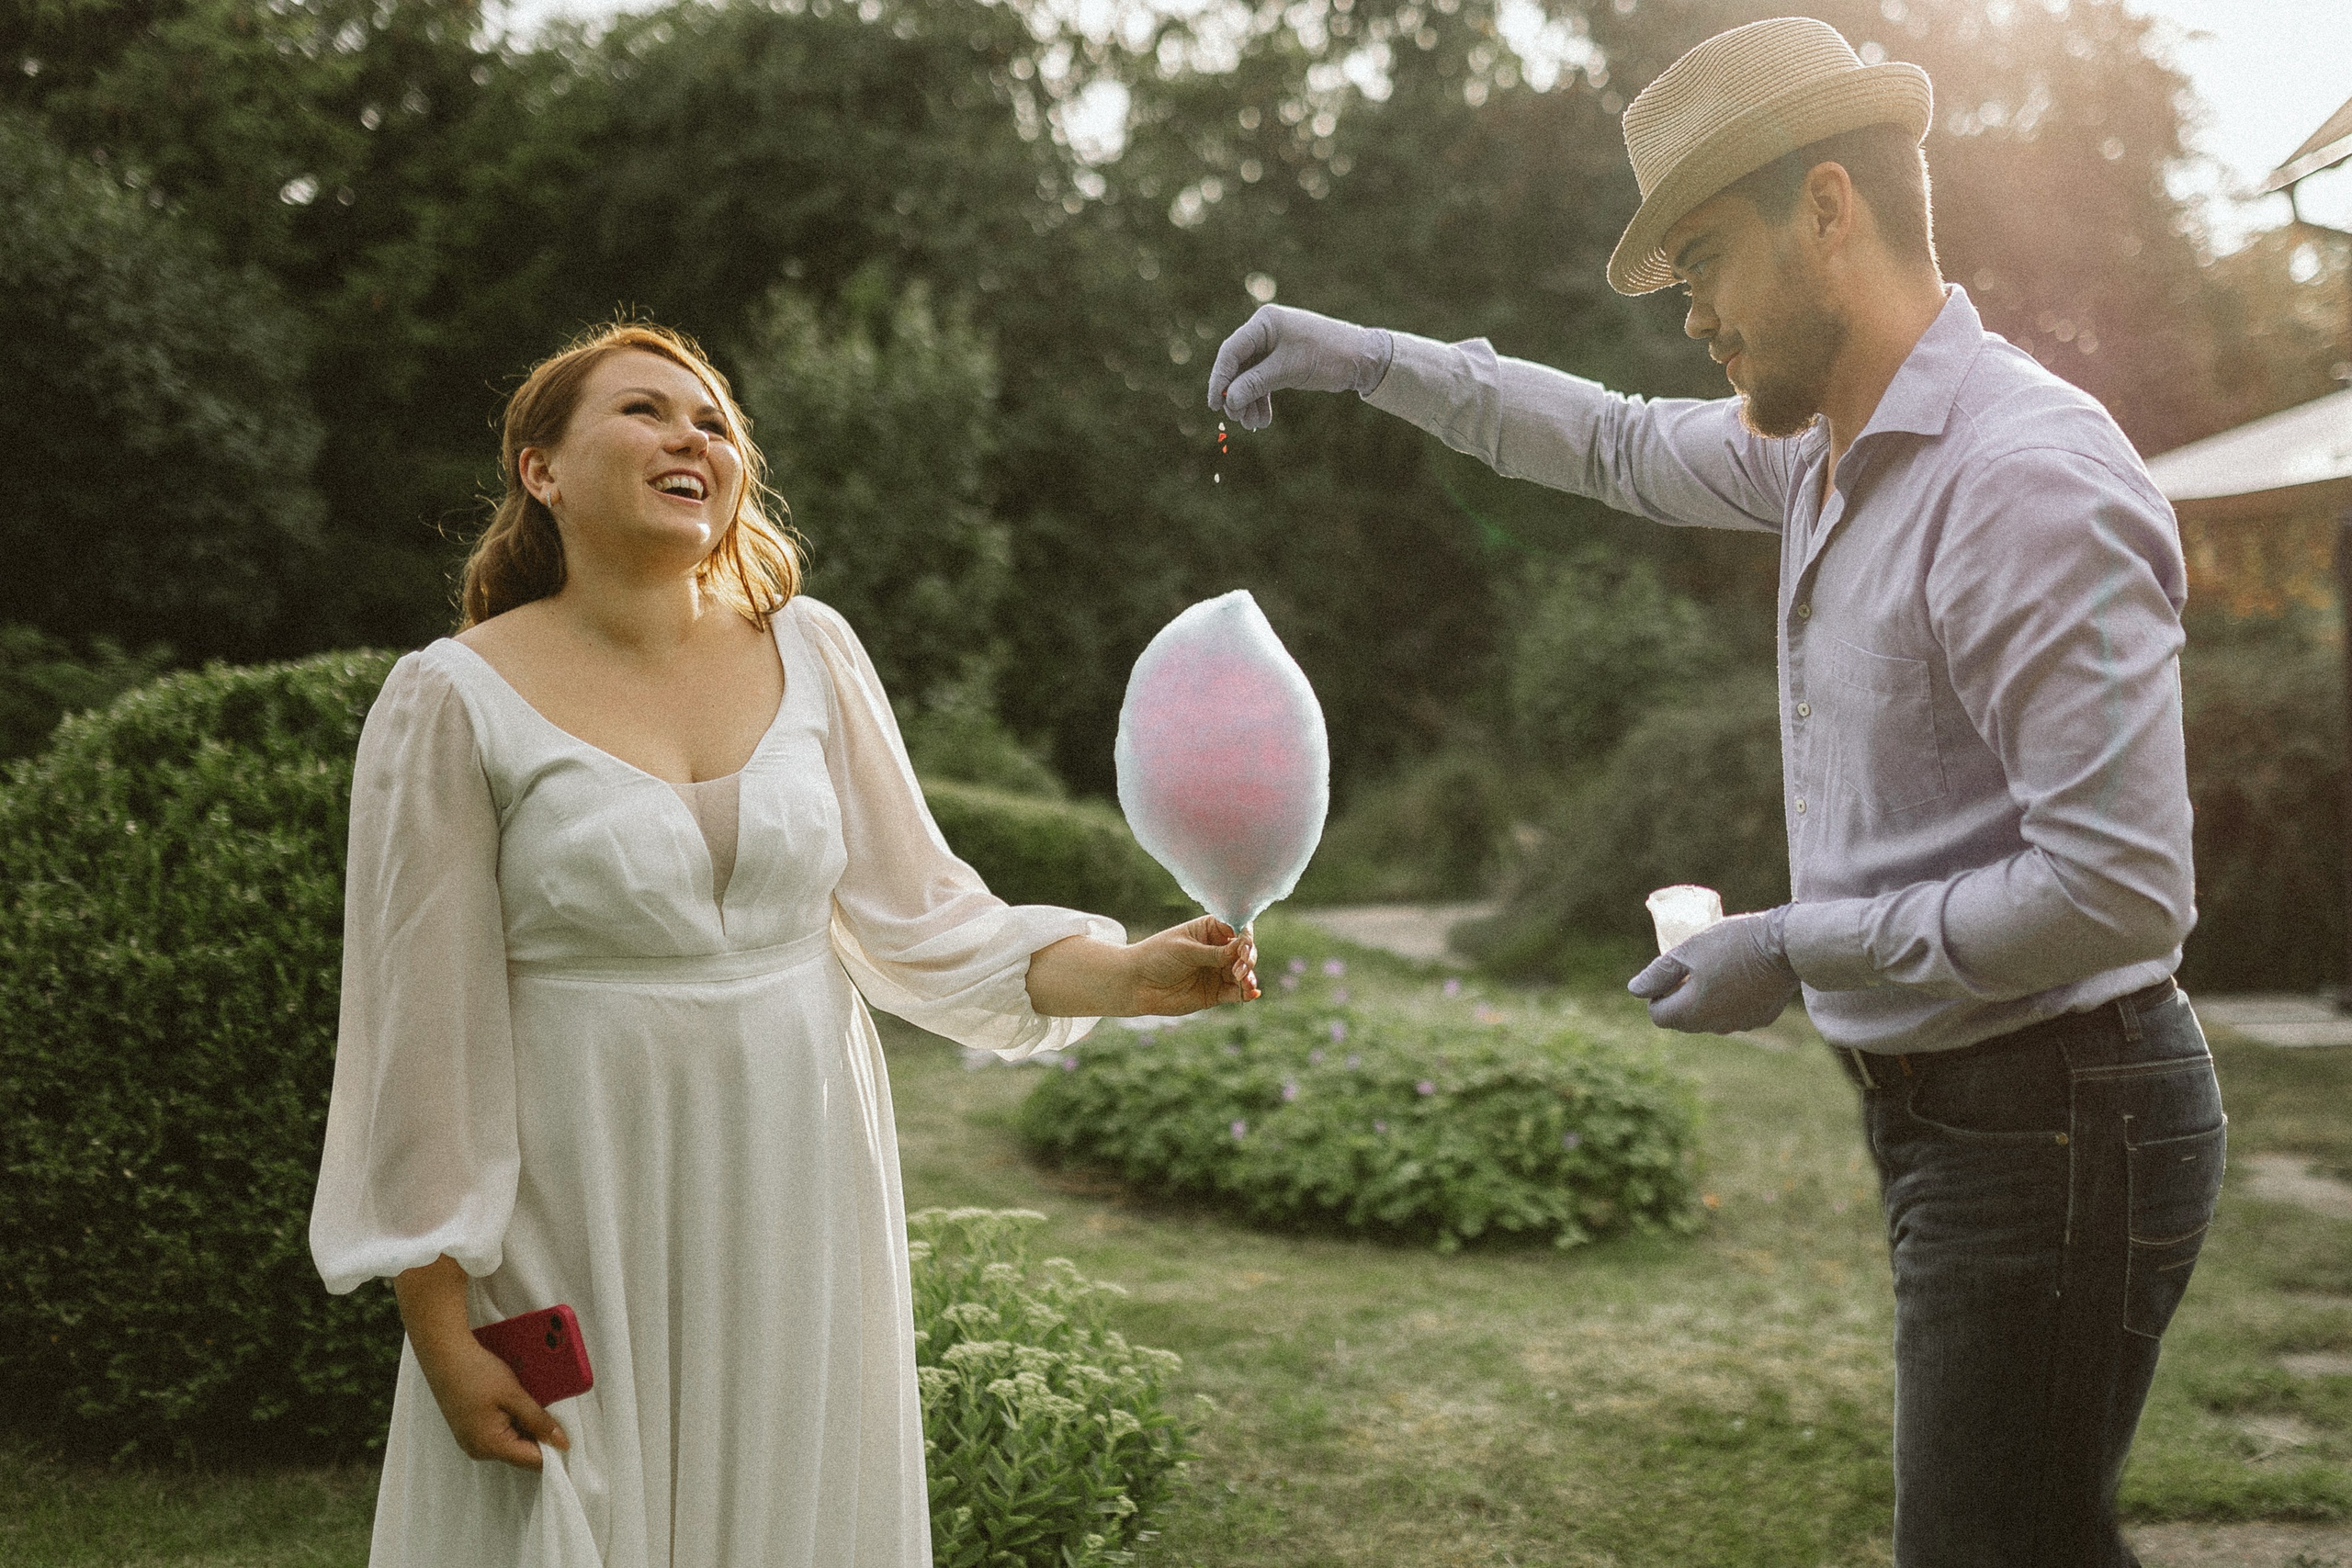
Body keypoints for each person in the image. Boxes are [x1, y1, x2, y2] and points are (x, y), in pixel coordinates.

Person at [1205, 16, 2222, 1568]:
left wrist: (1794, 945)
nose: (1690, 319)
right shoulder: (1822, 451)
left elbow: (2121, 890)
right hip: (1975, 1119)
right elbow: (1611, 444)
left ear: (1829, 210)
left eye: (1701, 263)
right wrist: (1367, 358)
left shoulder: (2024, 483)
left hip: (2063, 1114)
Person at [310, 320, 1258, 1567]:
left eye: (713, 420)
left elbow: (934, 920)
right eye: (645, 411)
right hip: (571, 1190)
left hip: (796, 1181)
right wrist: (441, 1329)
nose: (692, 435)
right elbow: (416, 1033)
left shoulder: (813, 650)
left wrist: (1132, 973)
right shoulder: (452, 695)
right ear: (540, 470)